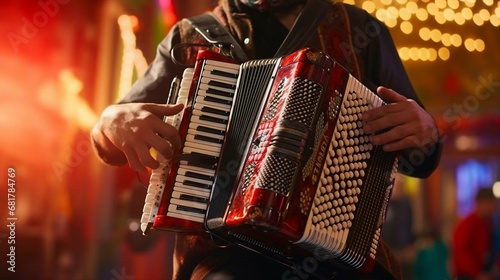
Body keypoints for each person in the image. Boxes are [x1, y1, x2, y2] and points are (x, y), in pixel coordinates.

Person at [91, 0, 443, 279]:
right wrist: (109, 121)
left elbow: (420, 157)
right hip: (224, 254)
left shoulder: (362, 31)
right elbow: (110, 136)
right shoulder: (190, 37)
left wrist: (426, 133)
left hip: (336, 250)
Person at [452, 187, 499, 280]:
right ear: (481, 203)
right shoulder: (467, 224)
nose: (493, 208)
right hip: (468, 276)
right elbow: (461, 254)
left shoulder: (488, 224)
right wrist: (477, 274)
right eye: (490, 203)